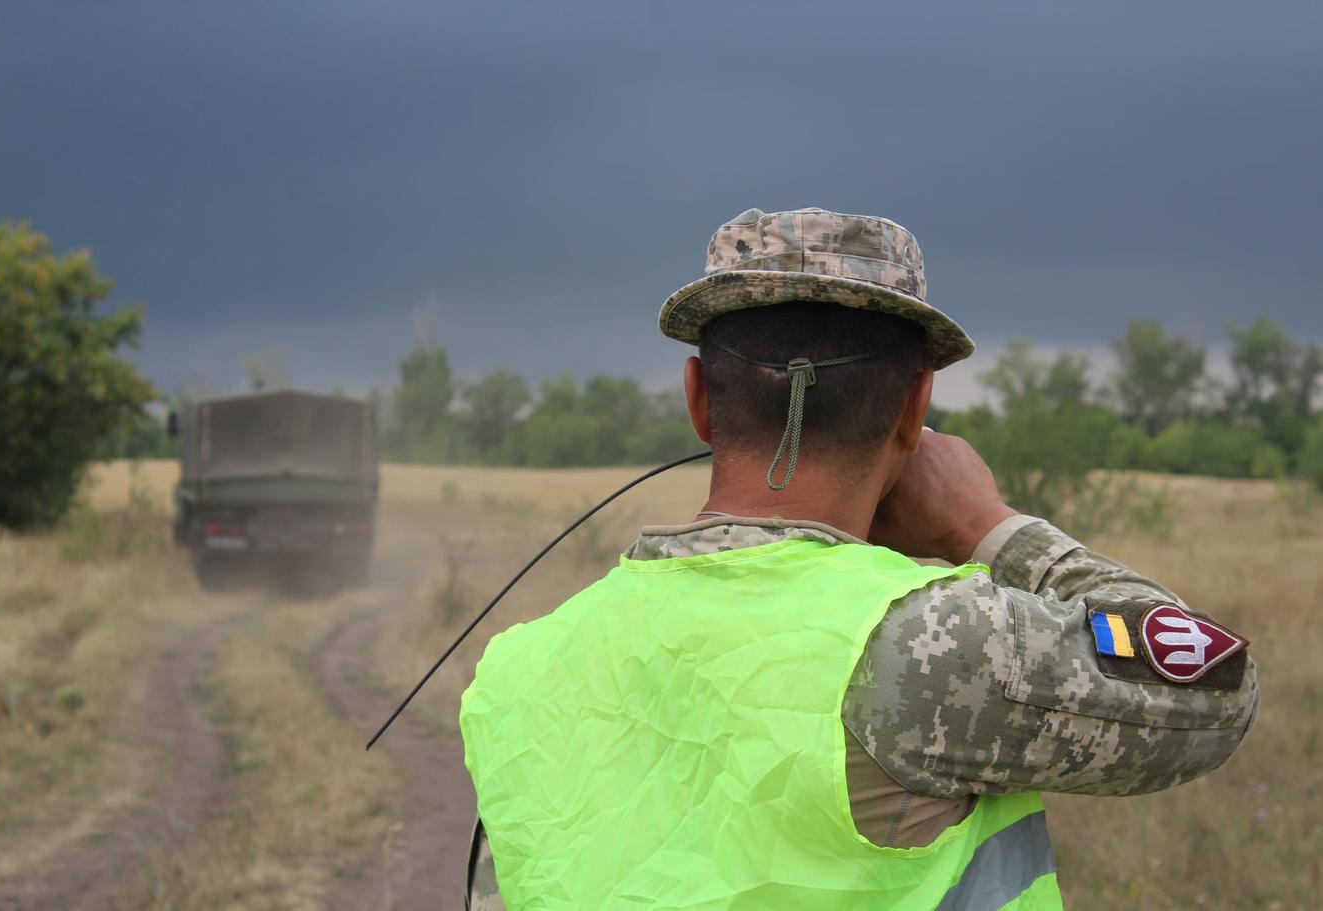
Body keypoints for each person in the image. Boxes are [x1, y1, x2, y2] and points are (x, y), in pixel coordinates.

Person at [459, 207, 1259, 910]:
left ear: (699, 399)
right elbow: (1216, 688)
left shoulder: (518, 669)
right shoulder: (930, 640)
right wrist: (987, 525)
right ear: (915, 410)